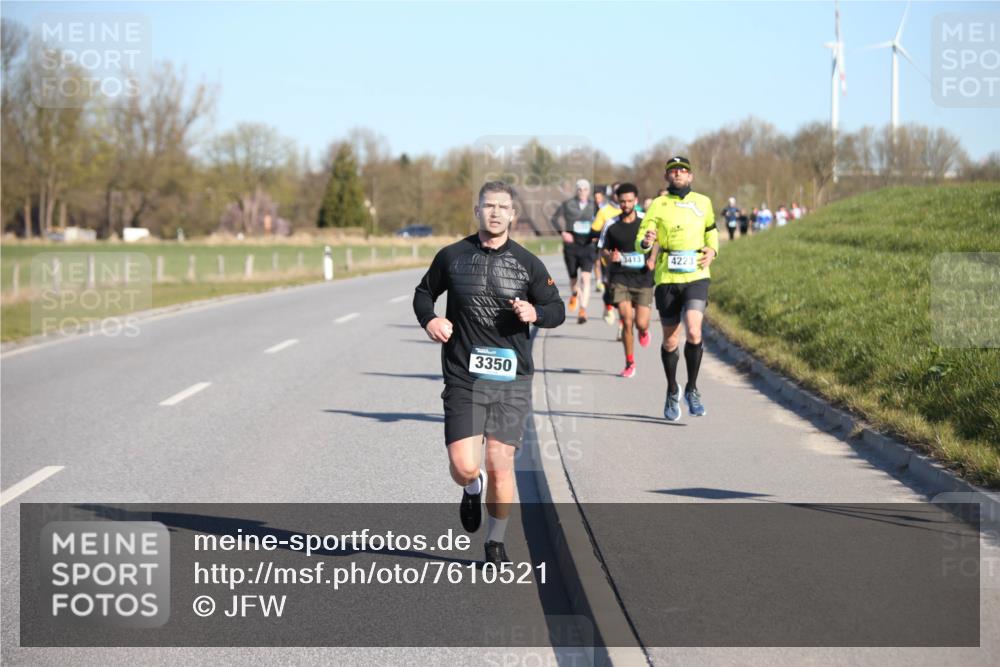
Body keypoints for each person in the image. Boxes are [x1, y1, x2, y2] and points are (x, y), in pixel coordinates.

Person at [414, 181, 565, 565]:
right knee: (465, 466)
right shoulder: (451, 256)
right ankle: (471, 487)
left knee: (500, 464)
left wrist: (535, 313)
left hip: (511, 380)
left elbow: (556, 309)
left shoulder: (528, 264)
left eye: (502, 207)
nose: (495, 212)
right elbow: (423, 293)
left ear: (513, 214)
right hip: (464, 376)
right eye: (489, 206)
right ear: (477, 211)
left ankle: (495, 540)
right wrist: (431, 320)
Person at [636, 156, 719, 421]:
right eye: (673, 171)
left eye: (683, 170)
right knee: (671, 340)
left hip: (696, 274)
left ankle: (692, 389)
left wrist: (713, 249)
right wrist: (646, 242)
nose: (678, 174)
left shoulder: (703, 202)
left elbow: (711, 230)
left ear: (690, 176)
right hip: (668, 277)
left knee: (694, 330)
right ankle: (673, 389)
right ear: (667, 177)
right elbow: (642, 239)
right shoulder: (658, 204)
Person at [598, 183, 653, 377]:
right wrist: (609, 257)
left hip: (643, 278)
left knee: (641, 323)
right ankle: (630, 363)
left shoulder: (647, 221)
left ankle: (644, 331)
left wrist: (653, 260)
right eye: (623, 201)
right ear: (618, 201)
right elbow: (603, 250)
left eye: (630, 201)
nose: (626, 205)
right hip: (620, 278)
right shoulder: (611, 224)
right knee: (626, 321)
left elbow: (658, 242)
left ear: (636, 201)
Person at [552, 179, 598, 323]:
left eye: (585, 189)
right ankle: (574, 293)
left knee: (585, 277)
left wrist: (597, 234)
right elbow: (554, 219)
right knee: (573, 279)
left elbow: (602, 221)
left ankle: (582, 310)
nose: (582, 192)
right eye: (579, 189)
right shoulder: (568, 204)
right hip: (572, 246)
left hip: (588, 245)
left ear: (589, 191)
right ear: (576, 190)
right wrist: (563, 233)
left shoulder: (594, 205)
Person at [591, 191, 623, 326]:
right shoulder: (604, 211)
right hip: (608, 258)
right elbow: (594, 231)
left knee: (625, 292)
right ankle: (609, 306)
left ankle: (623, 324)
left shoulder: (634, 211)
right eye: (617, 193)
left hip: (628, 258)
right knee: (609, 287)